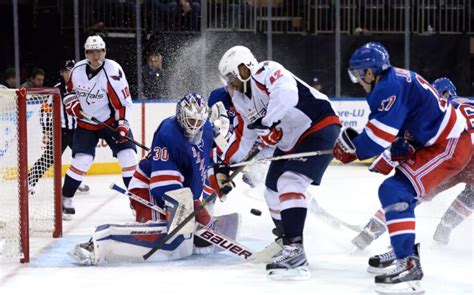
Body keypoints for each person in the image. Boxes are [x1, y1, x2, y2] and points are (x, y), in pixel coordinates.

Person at [334, 42, 470, 293]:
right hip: (442, 143)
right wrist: (395, 149)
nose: (357, 81)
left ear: (369, 72)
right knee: (404, 191)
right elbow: (398, 131)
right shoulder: (394, 80)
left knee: (396, 191)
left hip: (450, 145)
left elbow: (375, 139)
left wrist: (352, 151)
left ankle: (407, 263)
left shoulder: (387, 88)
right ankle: (401, 249)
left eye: (357, 74)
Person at [215, 46, 341, 280]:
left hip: (319, 125)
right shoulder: (242, 100)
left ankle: (295, 250)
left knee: (289, 181)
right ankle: (287, 239)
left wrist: (269, 123)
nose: (230, 84)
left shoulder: (266, 70)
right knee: (271, 190)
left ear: (244, 68)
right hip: (293, 140)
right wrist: (223, 166)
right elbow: (245, 138)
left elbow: (287, 94)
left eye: (232, 77)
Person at [68, 93, 239, 265]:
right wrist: (190, 208)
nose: (194, 126)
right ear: (181, 115)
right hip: (146, 187)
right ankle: (97, 242)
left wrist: (220, 175)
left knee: (187, 226)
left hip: (180, 191)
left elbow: (211, 159)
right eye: (191, 120)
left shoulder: (207, 129)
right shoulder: (168, 133)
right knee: (155, 232)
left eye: (198, 121)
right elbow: (162, 186)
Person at [351, 77, 473, 251]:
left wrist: (384, 160)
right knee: (472, 194)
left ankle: (371, 231)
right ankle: (444, 230)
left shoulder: (441, 110)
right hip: (466, 157)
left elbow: (412, 141)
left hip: (456, 153)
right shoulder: (468, 103)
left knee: (410, 191)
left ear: (444, 94)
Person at [61, 35, 138, 218]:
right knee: (82, 160)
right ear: (86, 53)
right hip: (86, 124)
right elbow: (69, 92)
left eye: (99, 51)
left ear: (104, 52)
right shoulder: (77, 70)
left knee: (129, 158)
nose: (96, 56)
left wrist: (122, 126)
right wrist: (71, 103)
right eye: (91, 52)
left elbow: (123, 103)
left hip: (110, 122)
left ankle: (137, 199)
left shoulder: (113, 72)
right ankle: (66, 198)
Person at [27, 60, 90, 196]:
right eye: (67, 71)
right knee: (49, 158)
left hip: (78, 130)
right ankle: (29, 182)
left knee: (82, 156)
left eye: (72, 71)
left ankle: (75, 181)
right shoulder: (57, 90)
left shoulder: (81, 87)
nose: (70, 74)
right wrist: (46, 130)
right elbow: (45, 110)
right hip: (61, 131)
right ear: (62, 73)